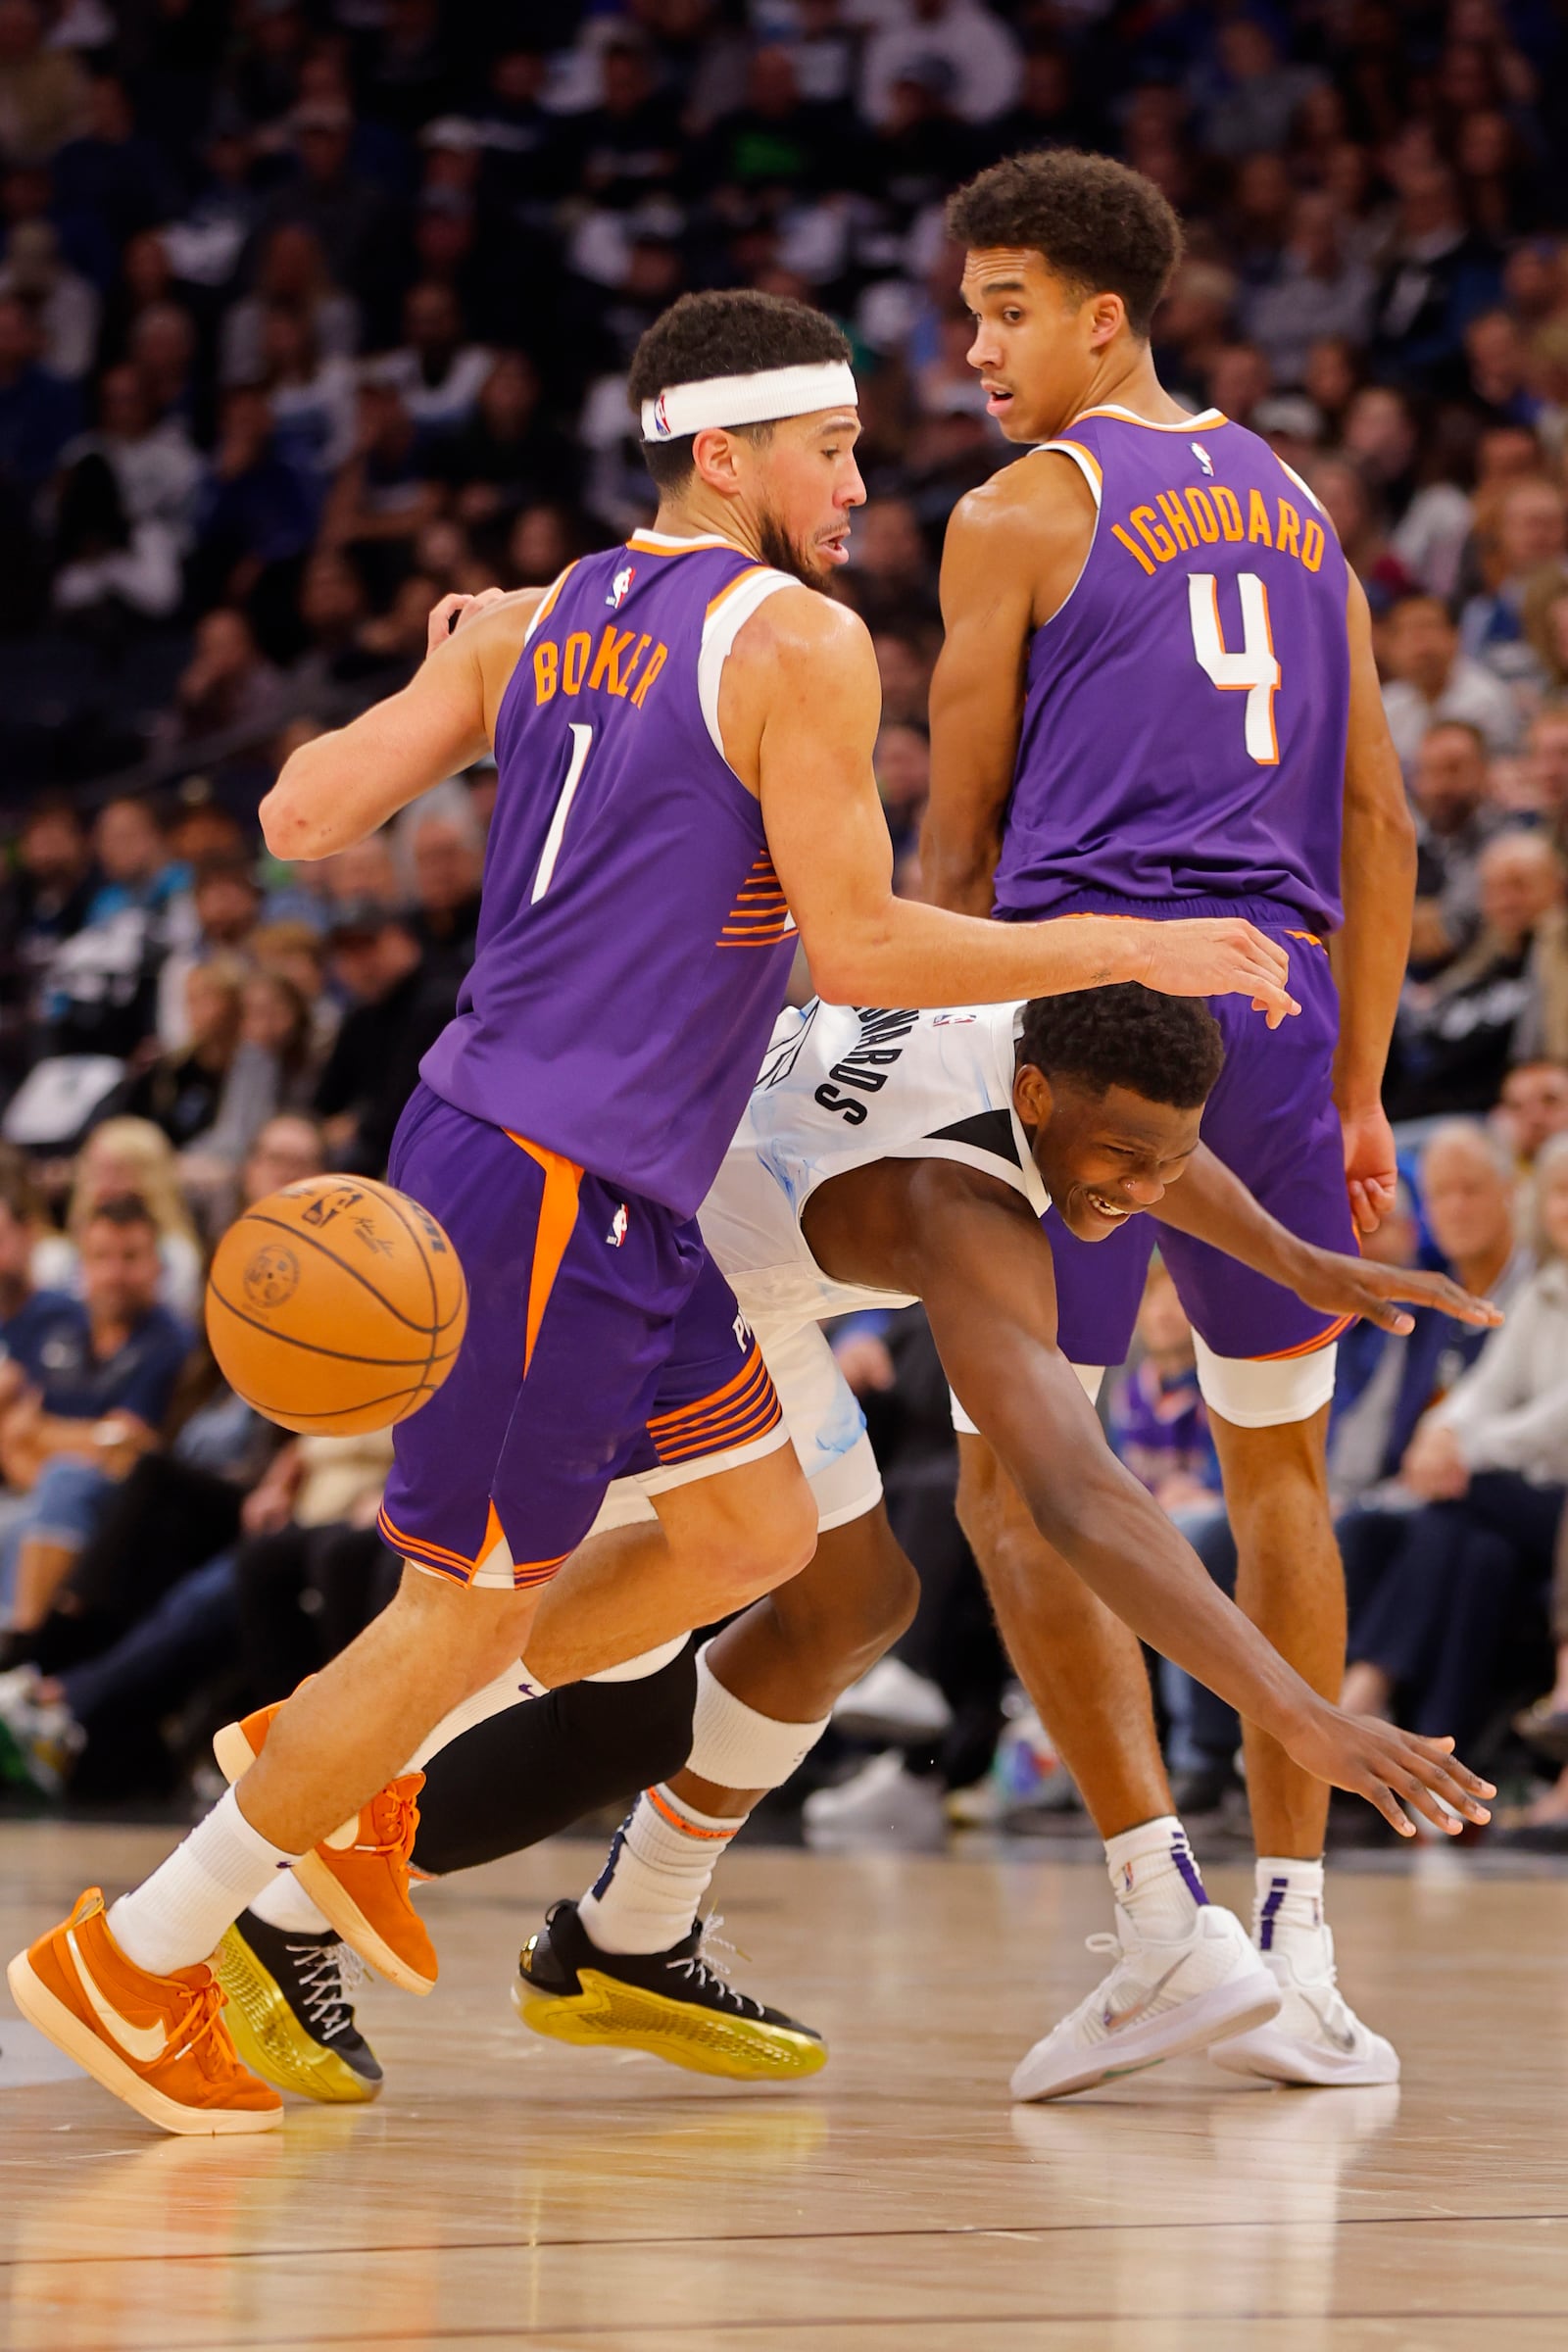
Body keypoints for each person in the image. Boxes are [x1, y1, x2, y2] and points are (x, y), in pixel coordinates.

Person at [7, 287, 1298, 2136]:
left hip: (572, 1165)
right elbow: (855, 946)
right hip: (553, 1175)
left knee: (751, 1528)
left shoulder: (539, 620)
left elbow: (298, 815)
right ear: (726, 450)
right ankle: (139, 1954)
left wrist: (459, 671)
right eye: (832, 445)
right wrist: (1128, 940)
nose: (862, 479)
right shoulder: (801, 642)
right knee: (462, 1613)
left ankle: (333, 1763)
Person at [214, 986, 1495, 2107]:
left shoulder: (1040, 1033)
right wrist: (1296, 1711)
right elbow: (1079, 1503)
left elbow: (1158, 1134)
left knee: (856, 1600)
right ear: (1038, 1098)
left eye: (1167, 1163)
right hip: (628, 1291)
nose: (1144, 1195)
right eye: (1123, 1161)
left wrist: (1295, 1259)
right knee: (591, 1702)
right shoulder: (963, 1212)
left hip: (723, 1266)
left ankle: (629, 1935)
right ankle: (269, 1902)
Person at [916, 148, 1423, 2087]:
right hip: (1277, 1014)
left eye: (1007, 308)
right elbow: (1375, 816)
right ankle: (1294, 1940)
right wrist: (1358, 1086)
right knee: (1271, 1459)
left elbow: (955, 836)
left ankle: (1161, 1920)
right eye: (968, 311)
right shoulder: (1298, 503)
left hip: (1068, 1010)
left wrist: (911, 1061)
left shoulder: (1019, 512)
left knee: (1010, 1465)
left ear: (1104, 311)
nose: (973, 348)